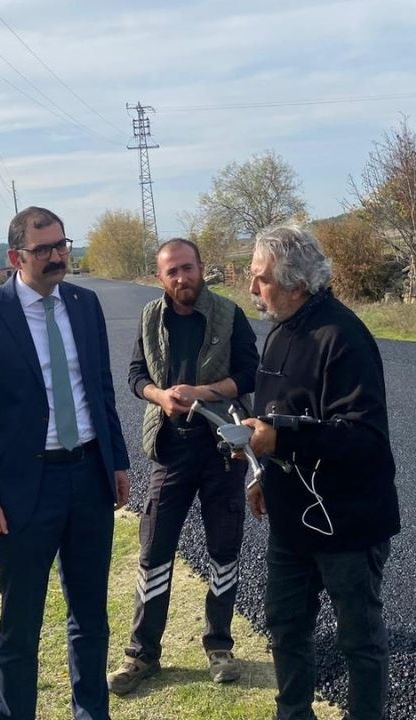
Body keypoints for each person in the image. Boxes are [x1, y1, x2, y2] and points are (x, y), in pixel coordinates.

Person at [0, 206, 131, 720]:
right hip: (24, 489)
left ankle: (91, 712)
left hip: (88, 477)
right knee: (20, 624)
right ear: (16, 257)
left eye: (61, 245)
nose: (56, 256)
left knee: (91, 615)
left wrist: (117, 462)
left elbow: (100, 389)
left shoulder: (84, 304)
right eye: (43, 249)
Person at [240, 225, 401, 720]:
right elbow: (273, 418)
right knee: (285, 625)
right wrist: (259, 470)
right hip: (291, 517)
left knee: (358, 640)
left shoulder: (342, 336)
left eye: (262, 278)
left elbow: (364, 439)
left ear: (296, 283)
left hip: (348, 522)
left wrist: (280, 441)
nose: (252, 288)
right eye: (252, 275)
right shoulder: (279, 331)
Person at [108, 238, 259, 694]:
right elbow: (135, 375)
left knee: (223, 549)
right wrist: (161, 396)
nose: (181, 278)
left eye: (187, 268)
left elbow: (250, 374)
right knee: (154, 550)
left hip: (222, 452)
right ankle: (142, 654)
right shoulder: (150, 317)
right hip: (170, 450)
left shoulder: (229, 314)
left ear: (201, 268)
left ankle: (219, 646)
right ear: (160, 277)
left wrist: (203, 393)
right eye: (171, 271)